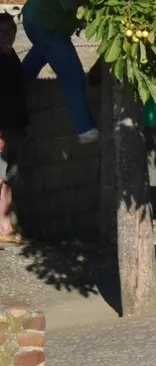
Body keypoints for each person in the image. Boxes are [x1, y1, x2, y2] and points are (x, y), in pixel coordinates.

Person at [20, 0, 99, 143]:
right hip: (47, 25)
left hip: (41, 20)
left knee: (39, 57)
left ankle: (12, 89)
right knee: (72, 75)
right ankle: (85, 129)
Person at [0, 12, 27, 245]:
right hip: (3, 131)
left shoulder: (13, 57)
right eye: (1, 32)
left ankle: (6, 227)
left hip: (16, 127)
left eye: (11, 30)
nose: (7, 35)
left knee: (8, 179)